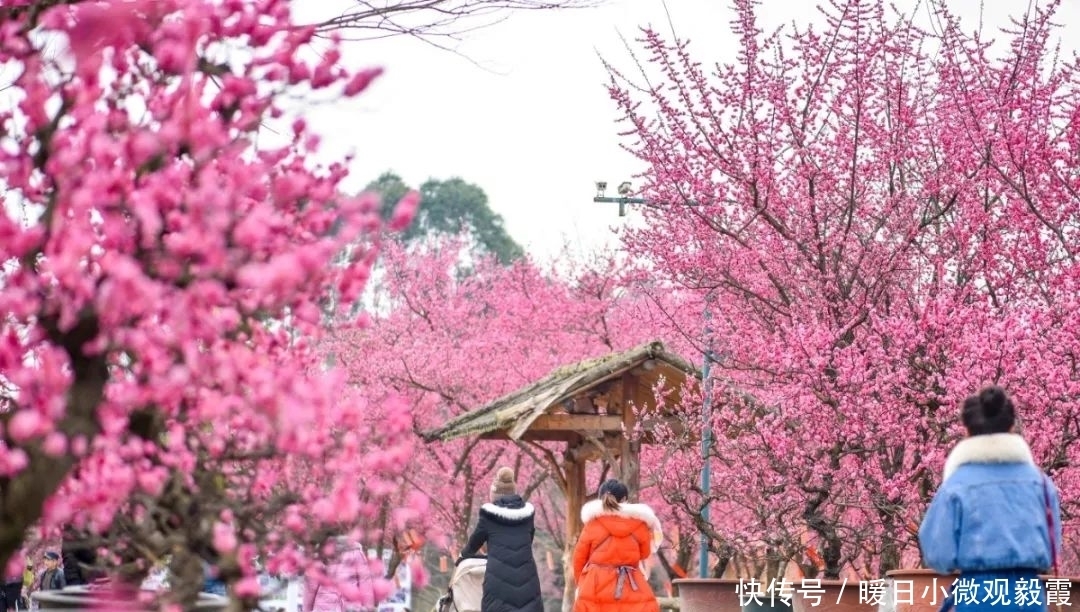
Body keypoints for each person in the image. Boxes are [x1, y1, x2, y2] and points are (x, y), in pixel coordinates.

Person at [919, 386, 1062, 612]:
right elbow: (1053, 548)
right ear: (1011, 426)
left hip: (977, 593)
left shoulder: (956, 486)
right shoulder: (1041, 484)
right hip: (1027, 593)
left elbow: (938, 554)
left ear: (967, 431)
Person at [457, 467, 542, 612]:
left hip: (498, 581)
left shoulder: (488, 517)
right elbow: (529, 539)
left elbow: (474, 542)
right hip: (527, 578)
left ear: (494, 494)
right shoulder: (528, 516)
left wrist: (463, 556)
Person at [572, 479, 662, 612]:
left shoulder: (593, 523)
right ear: (625, 499)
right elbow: (644, 553)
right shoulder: (640, 524)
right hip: (630, 582)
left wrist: (582, 583)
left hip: (595, 584)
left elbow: (578, 558)